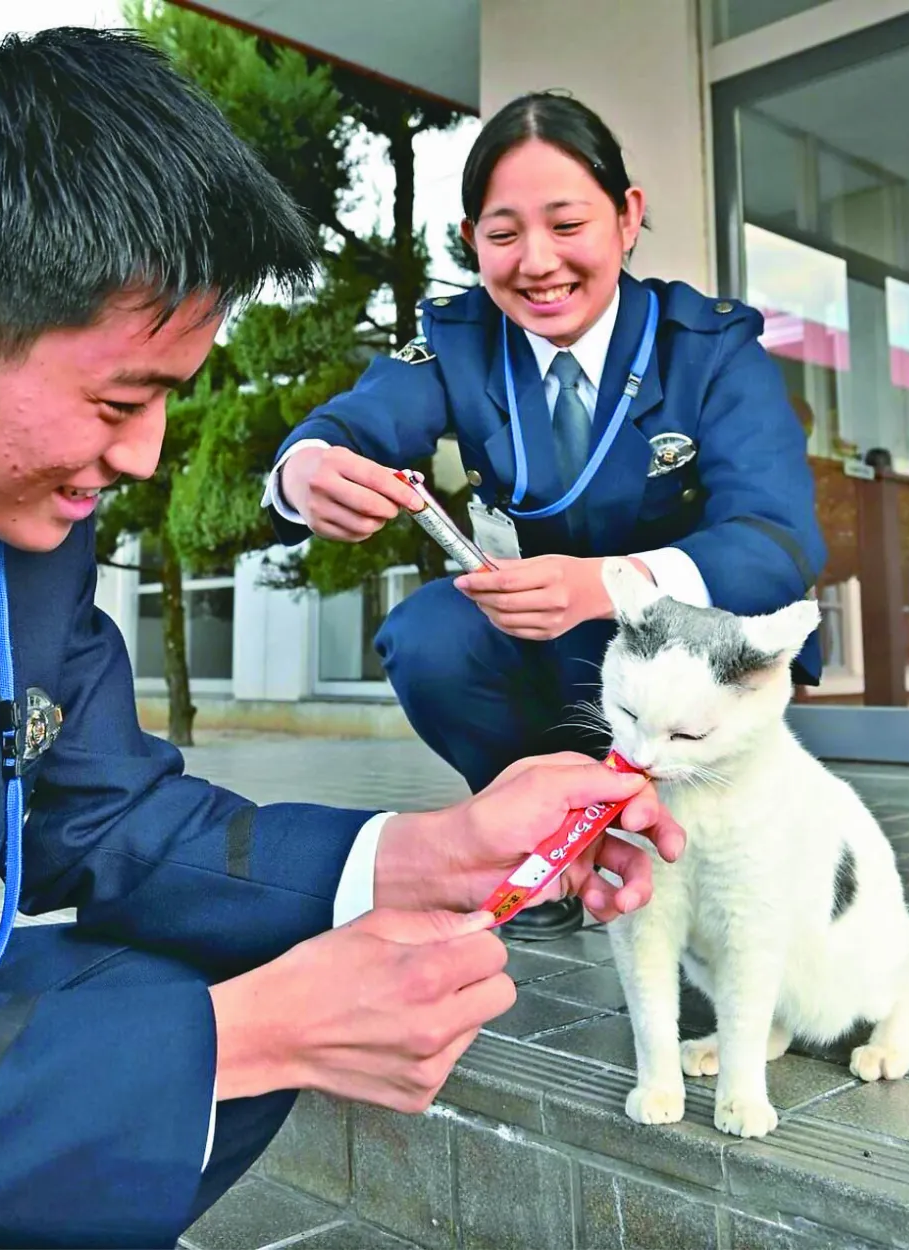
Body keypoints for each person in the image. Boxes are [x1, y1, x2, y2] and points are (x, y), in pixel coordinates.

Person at [0, 32, 686, 1249]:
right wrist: (245, 1035)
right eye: (120, 401)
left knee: (187, 995)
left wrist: (436, 851)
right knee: (216, 1034)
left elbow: (115, 821)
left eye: (169, 399)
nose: (145, 458)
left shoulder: (26, 539)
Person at [265, 91, 826, 938]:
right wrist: (305, 471)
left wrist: (607, 583)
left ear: (628, 217)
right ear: (470, 243)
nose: (537, 263)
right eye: (502, 234)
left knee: (736, 892)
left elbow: (778, 543)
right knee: (427, 637)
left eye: (567, 226)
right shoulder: (459, 339)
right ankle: (553, 851)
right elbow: (348, 425)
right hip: (546, 647)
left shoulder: (709, 348)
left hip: (692, 654)